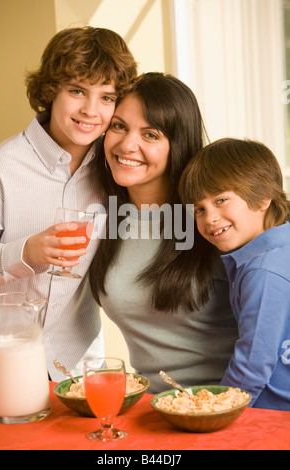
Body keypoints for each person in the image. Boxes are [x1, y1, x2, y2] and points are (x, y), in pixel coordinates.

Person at [0, 26, 137, 381]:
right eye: (77, 91)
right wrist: (27, 252)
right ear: (51, 90)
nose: (91, 110)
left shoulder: (115, 168)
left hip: (82, 366)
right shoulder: (1, 167)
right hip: (5, 361)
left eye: (107, 97)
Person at [89, 72, 238, 393]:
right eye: (119, 126)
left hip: (230, 406)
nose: (127, 144)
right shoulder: (103, 214)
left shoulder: (213, 220)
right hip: (152, 408)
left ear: (178, 143)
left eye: (151, 134)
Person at [178, 137, 290, 410]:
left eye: (221, 200)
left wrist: (211, 411)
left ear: (263, 196)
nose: (210, 218)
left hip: (271, 416)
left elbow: (251, 366)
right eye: (199, 209)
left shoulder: (263, 271)